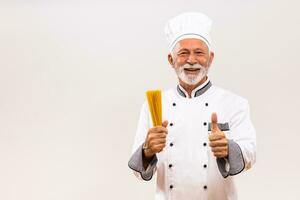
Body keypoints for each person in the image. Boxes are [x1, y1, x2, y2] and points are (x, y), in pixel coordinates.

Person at [128, 12, 256, 200]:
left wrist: (229, 148)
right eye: (183, 53)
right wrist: (147, 150)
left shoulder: (235, 103)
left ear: (210, 58)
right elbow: (138, 172)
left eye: (199, 52)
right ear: (171, 60)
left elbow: (250, 153)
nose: (191, 60)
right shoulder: (154, 105)